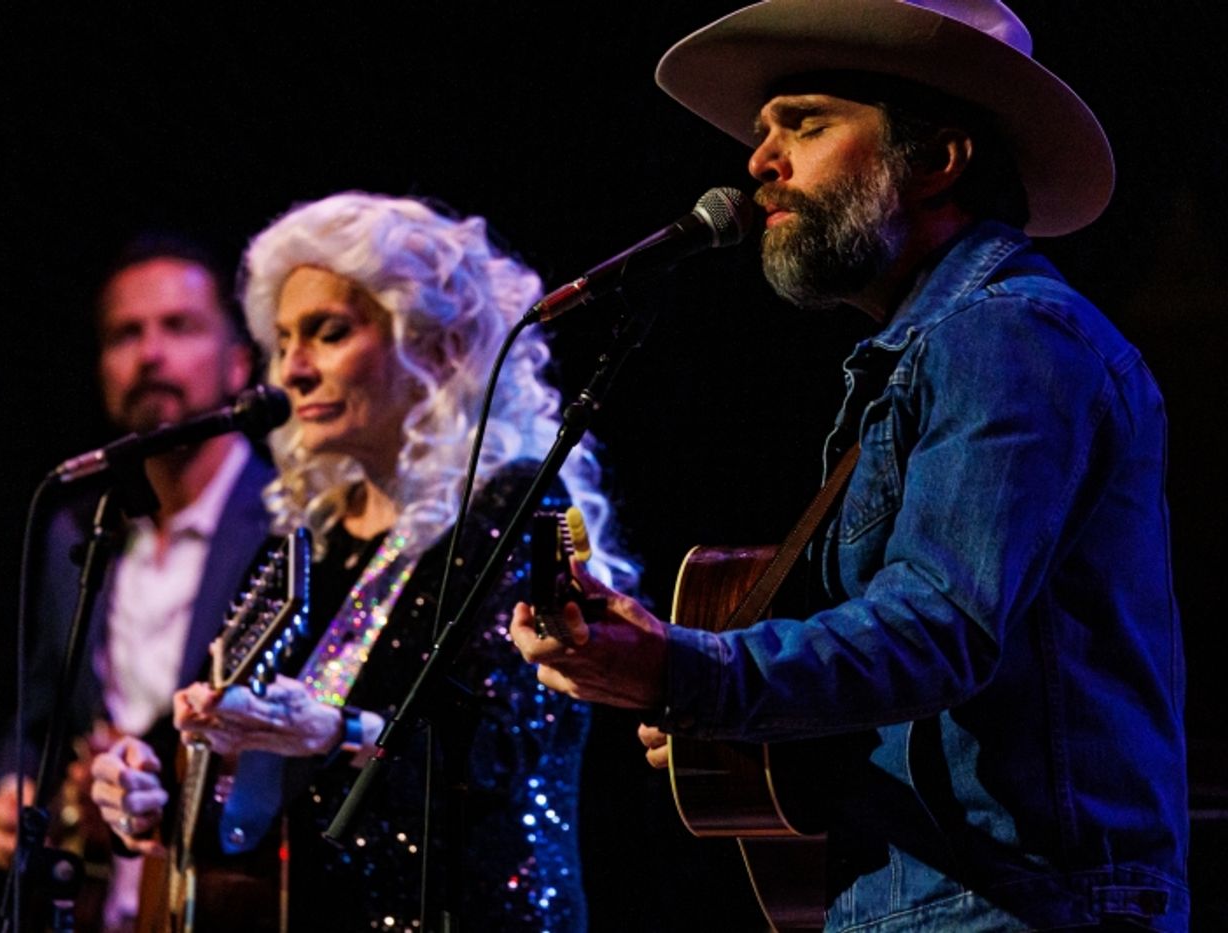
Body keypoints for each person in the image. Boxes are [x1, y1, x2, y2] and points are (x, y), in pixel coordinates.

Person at [511, 1, 1189, 930]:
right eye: (764, 132)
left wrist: (686, 672)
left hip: (1012, 903)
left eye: (807, 122)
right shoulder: (923, 352)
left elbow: (937, 629)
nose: (759, 163)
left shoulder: (1004, 333)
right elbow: (924, 689)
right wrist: (735, 712)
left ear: (938, 159)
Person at [89, 192, 636, 933]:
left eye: (329, 332)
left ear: (434, 344)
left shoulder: (518, 501)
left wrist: (337, 734)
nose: (295, 369)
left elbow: (510, 746)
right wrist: (152, 780)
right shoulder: (318, 535)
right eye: (283, 341)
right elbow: (239, 735)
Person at [0, 232, 277, 931]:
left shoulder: (291, 521)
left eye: (179, 327)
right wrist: (13, 784)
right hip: (97, 907)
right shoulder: (77, 531)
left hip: (231, 901)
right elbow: (42, 713)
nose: (150, 354)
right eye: (125, 334)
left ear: (239, 362)